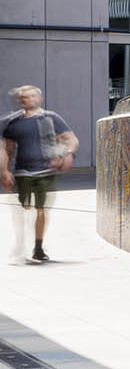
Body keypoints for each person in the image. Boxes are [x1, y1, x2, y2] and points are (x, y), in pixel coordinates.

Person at [1, 85, 74, 265]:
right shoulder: (13, 122)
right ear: (20, 101)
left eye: (32, 96)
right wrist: (4, 171)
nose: (28, 100)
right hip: (22, 173)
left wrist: (68, 154)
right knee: (22, 211)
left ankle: (38, 247)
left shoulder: (51, 118)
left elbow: (71, 139)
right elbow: (7, 149)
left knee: (41, 210)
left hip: (45, 173)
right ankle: (21, 243)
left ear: (39, 99)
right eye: (24, 97)